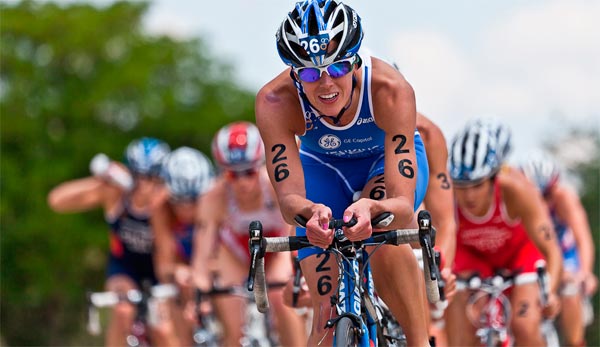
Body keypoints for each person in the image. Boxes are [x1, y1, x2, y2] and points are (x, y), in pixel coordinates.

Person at [254, 1, 433, 345]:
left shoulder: (390, 89)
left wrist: (371, 207)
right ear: (293, 73)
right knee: (324, 317)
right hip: (323, 169)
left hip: (383, 165)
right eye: (308, 73)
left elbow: (402, 203)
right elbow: (289, 198)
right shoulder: (274, 101)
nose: (324, 84)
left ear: (355, 60)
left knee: (384, 231)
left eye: (337, 68)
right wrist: (308, 212)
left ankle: (419, 341)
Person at [47, 137, 180, 347]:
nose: (144, 184)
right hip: (123, 267)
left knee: (163, 329)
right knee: (122, 311)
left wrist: (158, 210)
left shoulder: (168, 204)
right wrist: (103, 178)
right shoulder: (115, 193)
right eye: (139, 175)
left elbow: (167, 251)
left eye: (151, 177)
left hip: (158, 269)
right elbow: (57, 200)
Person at [444, 121, 563, 346]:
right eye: (461, 185)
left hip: (520, 255)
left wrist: (550, 293)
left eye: (477, 185)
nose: (468, 196)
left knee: (524, 324)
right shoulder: (444, 197)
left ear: (493, 178)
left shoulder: (516, 191)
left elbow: (551, 249)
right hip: (474, 257)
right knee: (466, 327)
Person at [192, 121, 307, 346]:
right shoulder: (213, 197)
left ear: (261, 165)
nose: (243, 182)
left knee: (280, 295)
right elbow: (202, 254)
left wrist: (293, 273)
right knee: (231, 323)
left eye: (249, 172)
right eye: (233, 175)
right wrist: (201, 295)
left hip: (277, 245)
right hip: (236, 251)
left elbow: (293, 234)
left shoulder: (275, 186)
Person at [521, 151, 597, 346]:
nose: (541, 204)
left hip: (564, 255)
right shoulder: (516, 198)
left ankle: (575, 342)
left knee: (570, 289)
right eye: (534, 197)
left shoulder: (564, 197)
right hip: (532, 254)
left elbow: (583, 238)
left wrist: (585, 272)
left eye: (546, 196)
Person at [150, 146, 215, 346]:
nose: (187, 208)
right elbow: (163, 265)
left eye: (194, 200)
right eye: (179, 200)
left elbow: (227, 257)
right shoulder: (160, 207)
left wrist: (201, 273)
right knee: (170, 313)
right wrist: (177, 271)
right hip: (185, 278)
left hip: (214, 266)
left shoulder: (215, 199)